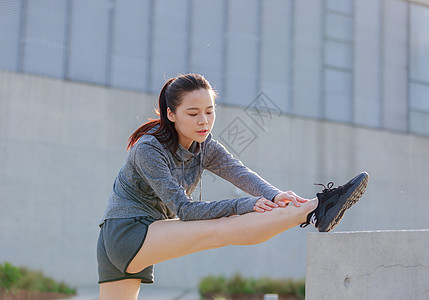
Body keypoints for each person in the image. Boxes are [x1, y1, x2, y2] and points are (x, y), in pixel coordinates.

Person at [97, 73, 369, 300]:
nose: (203, 121)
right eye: (192, 113)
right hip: (128, 231)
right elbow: (184, 209)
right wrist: (244, 204)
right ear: (171, 114)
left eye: (209, 111)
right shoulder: (149, 149)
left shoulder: (205, 146)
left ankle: (311, 209)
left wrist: (275, 195)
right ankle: (315, 208)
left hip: (129, 235)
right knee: (220, 228)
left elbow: (239, 173)